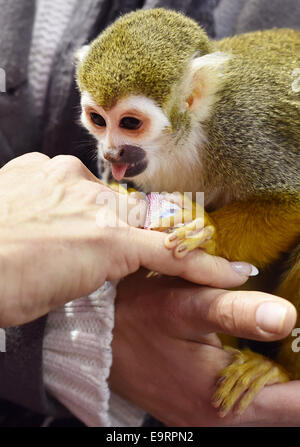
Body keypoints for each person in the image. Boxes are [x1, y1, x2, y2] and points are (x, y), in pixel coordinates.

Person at [0, 0, 299, 427]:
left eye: (132, 123)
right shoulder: (153, 150)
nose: (109, 146)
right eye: (97, 119)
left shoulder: (236, 121)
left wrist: (213, 239)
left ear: (193, 97)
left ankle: (283, 367)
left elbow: (285, 205)